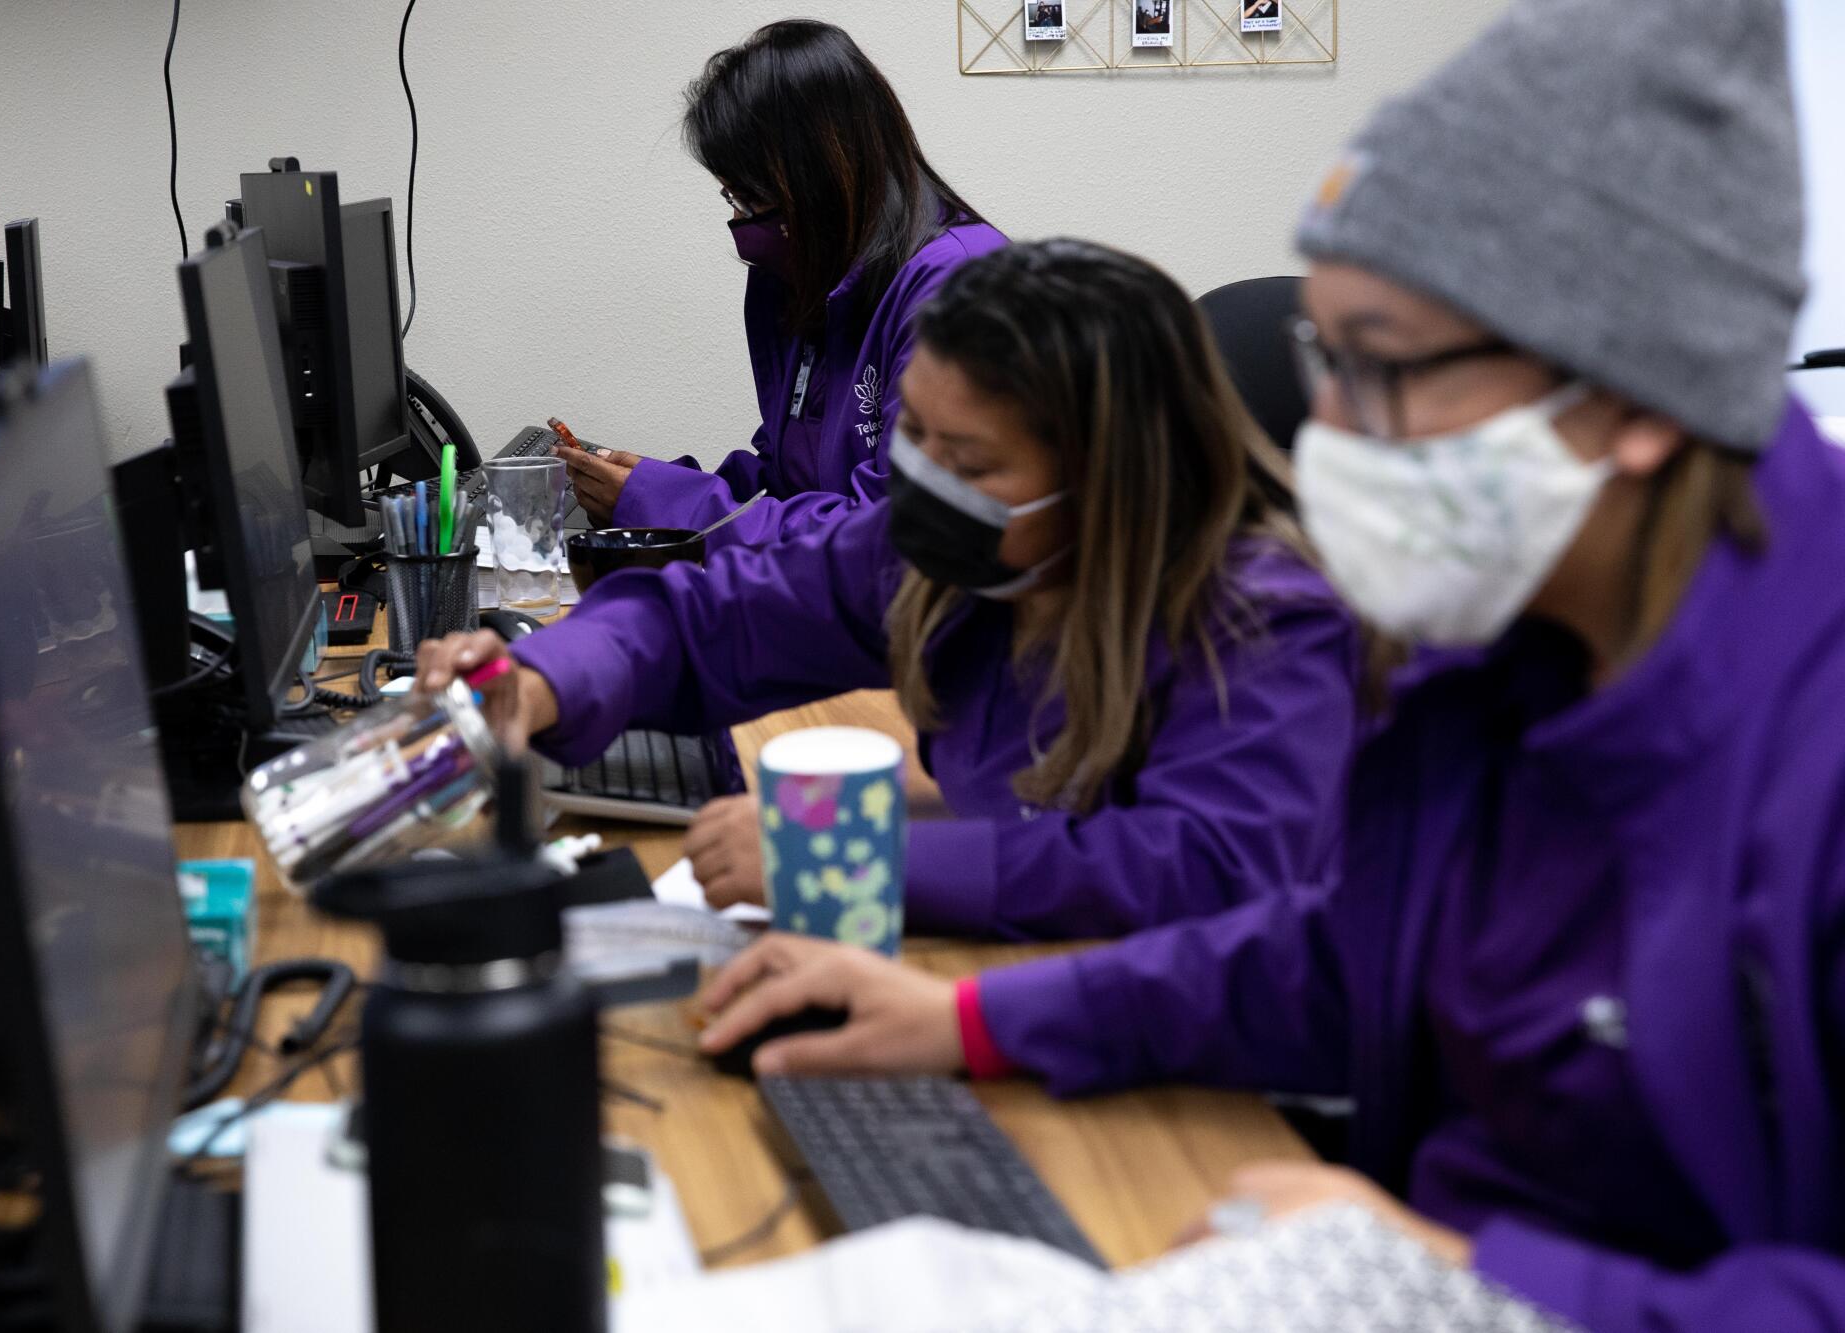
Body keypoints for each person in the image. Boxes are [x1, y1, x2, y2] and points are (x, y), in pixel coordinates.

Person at [693, 1, 1845, 1327]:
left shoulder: (1805, 741)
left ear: (1636, 400)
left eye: (1386, 370)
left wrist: (1463, 1285)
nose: (1326, 434)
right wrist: (969, 1026)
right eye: (1323, 359)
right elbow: (1340, 955)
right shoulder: (1504, 653)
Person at [420, 240, 1360, 940]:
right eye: (917, 438)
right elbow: (722, 613)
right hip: (1015, 975)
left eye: (969, 460)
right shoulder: (953, 553)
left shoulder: (1268, 620)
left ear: (1110, 476)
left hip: (1206, 1083)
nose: (925, 484)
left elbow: (1196, 874)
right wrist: (539, 676)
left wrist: (843, 860)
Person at [559, 21, 1007, 552]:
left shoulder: (964, 294)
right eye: (732, 198)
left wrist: (678, 506)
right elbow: (793, 479)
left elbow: (893, 541)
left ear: (817, 177)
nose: (744, 223)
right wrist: (658, 487)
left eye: (749, 198)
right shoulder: (816, 276)